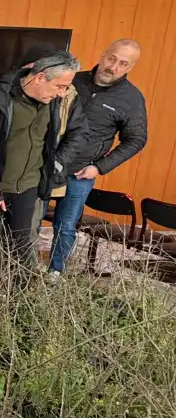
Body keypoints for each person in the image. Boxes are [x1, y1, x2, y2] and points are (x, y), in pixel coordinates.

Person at [0, 51, 85, 269]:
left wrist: (55, 166)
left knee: (22, 248)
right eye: (59, 86)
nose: (62, 94)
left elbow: (52, 140)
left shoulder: (50, 100)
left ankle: (19, 299)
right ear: (40, 77)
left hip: (29, 185)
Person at [48, 39, 147, 277]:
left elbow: (136, 139)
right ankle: (20, 269)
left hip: (80, 172)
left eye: (123, 63)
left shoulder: (132, 98)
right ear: (103, 54)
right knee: (27, 218)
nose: (113, 67)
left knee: (66, 225)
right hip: (46, 165)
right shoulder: (73, 80)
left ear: (130, 67)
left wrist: (99, 168)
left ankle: (54, 274)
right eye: (111, 58)